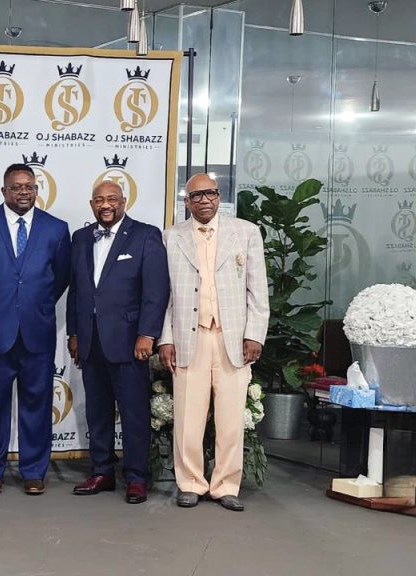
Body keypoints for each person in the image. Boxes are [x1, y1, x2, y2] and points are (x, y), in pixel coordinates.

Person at [158, 173, 269, 512]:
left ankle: (225, 485)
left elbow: (258, 290)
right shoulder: (171, 237)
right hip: (188, 337)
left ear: (220, 197)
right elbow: (163, 296)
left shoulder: (246, 232)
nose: (204, 200)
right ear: (187, 202)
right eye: (196, 195)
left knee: (231, 417)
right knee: (188, 417)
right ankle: (190, 482)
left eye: (210, 194)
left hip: (232, 338)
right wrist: (166, 339)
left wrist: (255, 334)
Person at [0, 163, 71, 495]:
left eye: (29, 187)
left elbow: (62, 276)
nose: (23, 192)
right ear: (4, 191)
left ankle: (34, 471)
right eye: (16, 187)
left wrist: (34, 305)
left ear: (37, 189)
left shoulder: (56, 229)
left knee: (37, 406)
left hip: (37, 332)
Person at [66, 181, 169, 504]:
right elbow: (77, 291)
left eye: (112, 199)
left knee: (134, 413)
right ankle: (102, 471)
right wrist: (73, 333)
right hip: (91, 340)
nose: (105, 205)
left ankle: (137, 477)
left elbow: (156, 291)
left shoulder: (145, 235)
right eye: (99, 200)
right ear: (91, 204)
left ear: (124, 201)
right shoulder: (81, 238)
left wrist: (147, 334)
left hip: (129, 341)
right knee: (97, 411)